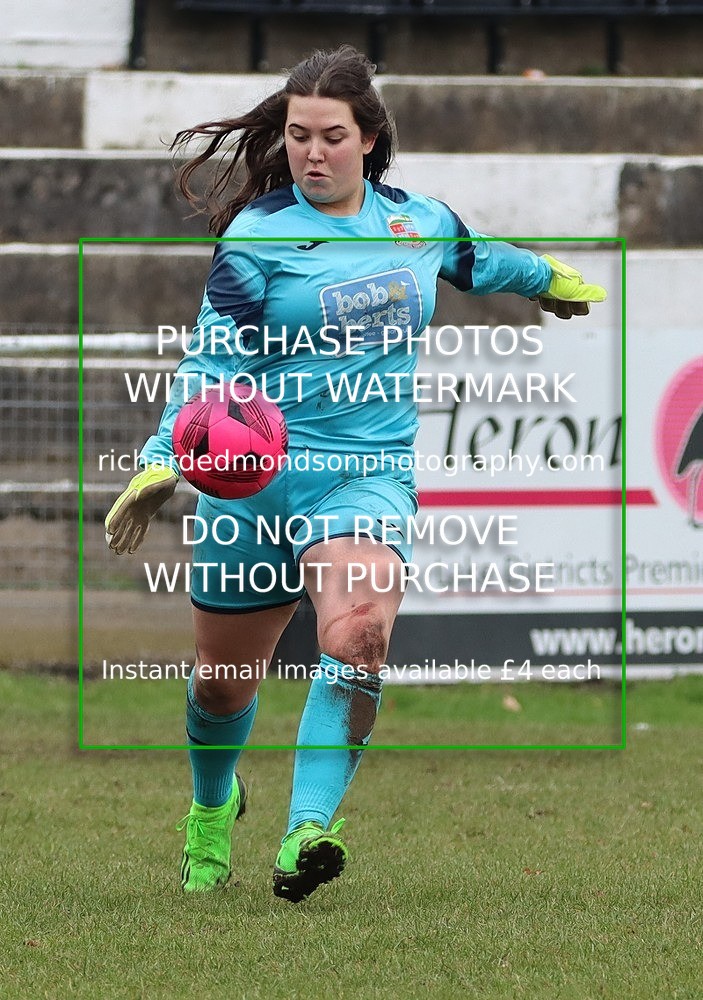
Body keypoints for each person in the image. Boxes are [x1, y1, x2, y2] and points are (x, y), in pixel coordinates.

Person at [105, 45, 606, 903]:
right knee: (223, 686)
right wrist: (159, 459)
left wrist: (547, 277)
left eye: (331, 136)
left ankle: (307, 832)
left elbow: (483, 257)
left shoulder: (416, 222)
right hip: (253, 483)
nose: (311, 153)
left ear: (369, 139)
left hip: (363, 477)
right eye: (298, 135)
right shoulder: (258, 237)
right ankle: (211, 806)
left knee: (359, 638)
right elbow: (210, 361)